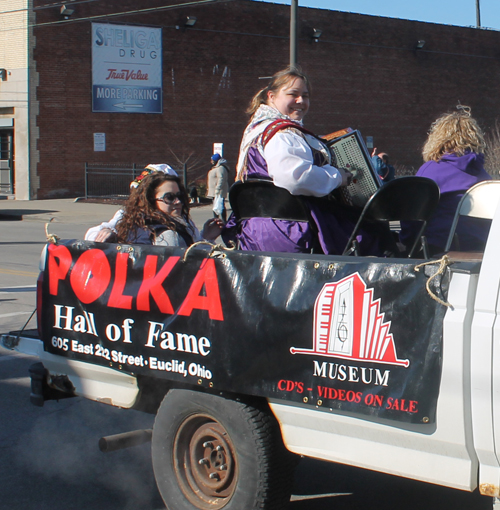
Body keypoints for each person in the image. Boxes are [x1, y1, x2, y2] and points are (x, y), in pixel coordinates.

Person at [222, 66, 363, 255]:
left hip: (253, 229)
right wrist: (338, 177)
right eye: (293, 94)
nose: (301, 101)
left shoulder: (255, 131)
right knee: (370, 234)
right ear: (271, 96)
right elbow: (295, 177)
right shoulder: (282, 134)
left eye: (305, 96)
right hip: (289, 230)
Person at [401, 105, 491, 254]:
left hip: (438, 251)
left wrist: (407, 244)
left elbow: (412, 220)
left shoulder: (430, 171)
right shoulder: (484, 177)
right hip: (481, 252)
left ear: (437, 140)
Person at [85, 164, 222, 245]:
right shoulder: (132, 219)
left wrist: (207, 238)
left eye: (180, 196)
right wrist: (109, 232)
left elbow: (194, 259)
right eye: (169, 197)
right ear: (150, 198)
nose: (178, 202)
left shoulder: (184, 223)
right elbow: (93, 236)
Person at [206, 153, 229, 221]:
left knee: (219, 206)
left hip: (219, 191)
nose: (211, 161)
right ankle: (216, 219)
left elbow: (221, 179)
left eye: (212, 160)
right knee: (216, 206)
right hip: (214, 191)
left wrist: (218, 188)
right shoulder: (215, 168)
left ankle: (223, 221)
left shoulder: (220, 168)